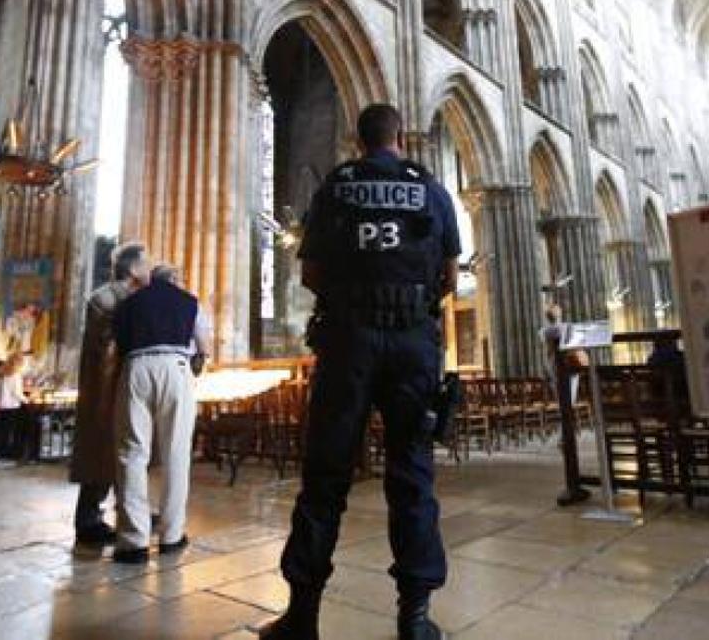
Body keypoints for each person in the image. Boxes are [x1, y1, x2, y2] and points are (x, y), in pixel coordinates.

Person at [259, 104, 460, 640]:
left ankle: (302, 616)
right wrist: (409, 306)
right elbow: (449, 275)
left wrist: (354, 302)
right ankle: (414, 620)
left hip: (348, 342)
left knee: (325, 478)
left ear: (358, 139)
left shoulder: (338, 187)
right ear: (399, 136)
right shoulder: (431, 190)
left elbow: (311, 272)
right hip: (412, 345)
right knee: (412, 477)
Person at [110, 254, 212, 564]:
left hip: (136, 366)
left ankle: (133, 541)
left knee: (132, 453)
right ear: (176, 279)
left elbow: (120, 342)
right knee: (176, 453)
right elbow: (203, 345)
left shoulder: (128, 303)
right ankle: (171, 536)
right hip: (175, 366)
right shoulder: (189, 301)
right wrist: (197, 365)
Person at [71, 242, 144, 546]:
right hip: (104, 386)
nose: (150, 269)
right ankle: (88, 520)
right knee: (100, 452)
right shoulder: (106, 297)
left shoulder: (129, 297)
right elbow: (106, 345)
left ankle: (126, 511)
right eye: (146, 263)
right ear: (133, 268)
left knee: (120, 452)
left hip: (119, 383)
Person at [0, 353, 28, 464]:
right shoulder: (15, 375)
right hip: (11, 406)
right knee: (6, 431)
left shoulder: (1, 373)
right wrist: (27, 400)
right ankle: (2, 453)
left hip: (0, 406)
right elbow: (16, 393)